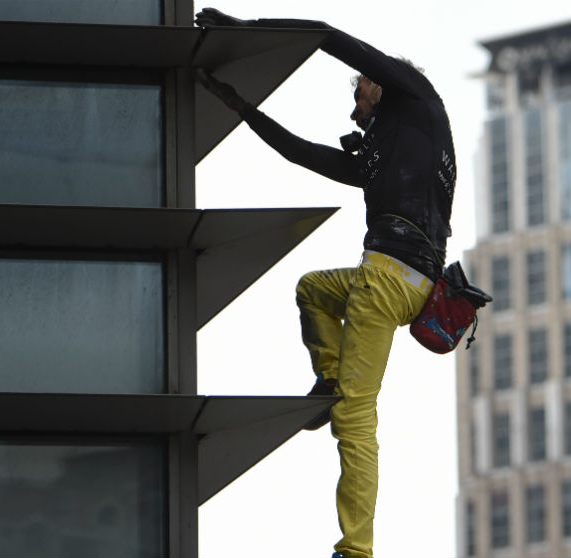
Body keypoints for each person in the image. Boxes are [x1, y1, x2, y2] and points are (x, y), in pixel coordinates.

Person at [194, 8, 456, 558]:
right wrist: (241, 108)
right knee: (312, 288)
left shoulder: (416, 99)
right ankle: (329, 378)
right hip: (405, 284)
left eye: (360, 92)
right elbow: (301, 154)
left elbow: (328, 39)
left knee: (356, 421)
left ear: (380, 85)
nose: (355, 106)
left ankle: (356, 549)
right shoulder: (388, 151)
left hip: (387, 281)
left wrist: (246, 29)